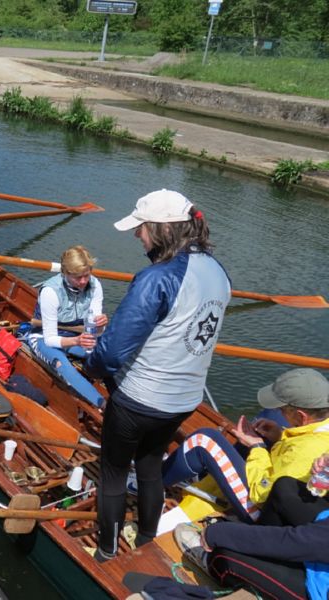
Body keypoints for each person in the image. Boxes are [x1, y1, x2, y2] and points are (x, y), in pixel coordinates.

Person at [84, 189, 231, 561]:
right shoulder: (218, 271)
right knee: (150, 465)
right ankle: (147, 540)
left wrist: (91, 368)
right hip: (183, 402)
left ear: (164, 229)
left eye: (142, 228)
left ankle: (105, 553)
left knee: (114, 473)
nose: (138, 236)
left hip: (138, 400)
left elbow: (112, 351)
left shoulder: (156, 278)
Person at [163, 368, 329, 523]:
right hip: (274, 489)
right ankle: (209, 476)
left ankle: (149, 483)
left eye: (283, 410)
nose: (280, 412)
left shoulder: (307, 450)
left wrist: (258, 448)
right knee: (261, 425)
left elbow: (262, 495)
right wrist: (279, 436)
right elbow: (297, 449)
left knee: (205, 440)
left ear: (301, 416)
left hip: (262, 511)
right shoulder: (319, 433)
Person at [174, 459, 329, 600]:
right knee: (286, 487)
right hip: (319, 541)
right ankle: (259, 551)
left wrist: (217, 533)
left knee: (225, 554)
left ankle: (212, 562)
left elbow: (299, 542)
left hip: (318, 588)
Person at [27, 245, 108, 408]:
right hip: (44, 337)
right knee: (62, 365)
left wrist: (101, 326)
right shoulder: (50, 292)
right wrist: (76, 341)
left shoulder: (94, 285)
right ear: (65, 273)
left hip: (77, 335)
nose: (84, 281)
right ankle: (104, 405)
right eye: (78, 277)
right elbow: (50, 340)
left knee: (108, 351)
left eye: (86, 275)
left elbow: (95, 330)